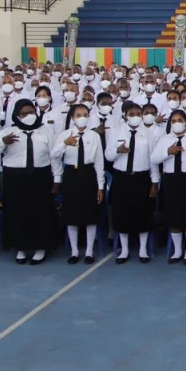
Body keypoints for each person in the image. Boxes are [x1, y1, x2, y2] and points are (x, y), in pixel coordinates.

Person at [0, 99, 60, 265]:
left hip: (40, 176)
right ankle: (19, 248)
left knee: (40, 212)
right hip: (15, 177)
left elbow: (54, 155)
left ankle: (40, 248)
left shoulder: (45, 130)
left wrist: (57, 178)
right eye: (24, 113)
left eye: (31, 112)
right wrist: (2, 143)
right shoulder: (8, 131)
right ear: (17, 115)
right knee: (17, 211)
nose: (28, 116)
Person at [105, 102, 159, 264]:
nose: (135, 117)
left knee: (143, 213)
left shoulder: (148, 134)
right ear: (125, 115)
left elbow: (153, 160)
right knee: (122, 213)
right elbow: (108, 156)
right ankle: (125, 249)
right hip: (122, 178)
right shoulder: (116, 132)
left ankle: (143, 250)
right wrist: (117, 151)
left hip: (141, 178)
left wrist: (154, 182)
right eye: (131, 114)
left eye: (138, 114)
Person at [151, 109, 186, 264]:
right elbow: (154, 159)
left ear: (185, 121)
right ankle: (177, 250)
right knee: (173, 217)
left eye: (180, 120)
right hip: (171, 181)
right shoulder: (165, 139)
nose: (177, 123)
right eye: (173, 120)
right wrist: (168, 152)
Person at [53, 103, 104, 265]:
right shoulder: (64, 135)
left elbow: (99, 162)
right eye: (78, 115)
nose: (82, 118)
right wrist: (64, 144)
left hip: (88, 175)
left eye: (85, 114)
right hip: (71, 175)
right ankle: (74, 251)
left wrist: (100, 185)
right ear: (72, 118)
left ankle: (89, 250)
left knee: (90, 215)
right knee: (72, 214)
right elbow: (54, 155)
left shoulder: (94, 136)